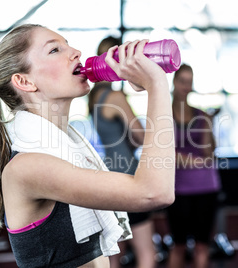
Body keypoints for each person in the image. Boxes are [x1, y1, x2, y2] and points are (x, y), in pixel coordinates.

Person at [0, 24, 175, 268]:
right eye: (55, 50)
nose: (77, 52)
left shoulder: (71, 149)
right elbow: (155, 192)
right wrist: (157, 86)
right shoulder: (27, 167)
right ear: (24, 81)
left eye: (68, 44)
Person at [88, 36, 156, 268]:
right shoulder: (116, 97)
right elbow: (141, 136)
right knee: (147, 253)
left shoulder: (94, 98)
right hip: (128, 177)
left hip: (109, 177)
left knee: (114, 254)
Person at [166, 64, 221, 268]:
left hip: (206, 187)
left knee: (201, 247)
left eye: (190, 82)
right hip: (177, 189)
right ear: (174, 83)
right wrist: (195, 161)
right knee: (178, 246)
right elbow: (165, 154)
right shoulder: (164, 116)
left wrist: (209, 124)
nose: (186, 87)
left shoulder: (201, 115)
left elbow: (209, 153)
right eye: (182, 81)